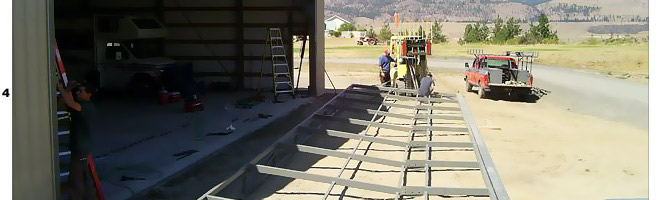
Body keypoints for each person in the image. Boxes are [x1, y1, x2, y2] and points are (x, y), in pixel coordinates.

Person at [57, 81, 97, 200]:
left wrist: (60, 87)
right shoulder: (79, 106)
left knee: (76, 179)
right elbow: (62, 105)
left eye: (81, 91)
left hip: (81, 148)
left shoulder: (86, 107)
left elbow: (69, 102)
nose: (78, 93)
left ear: (89, 94)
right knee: (80, 177)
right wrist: (67, 89)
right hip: (79, 147)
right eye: (78, 90)